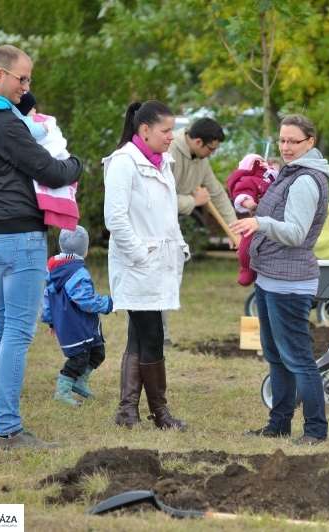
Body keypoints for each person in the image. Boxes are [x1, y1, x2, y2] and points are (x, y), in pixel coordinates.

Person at [0, 44, 82, 449]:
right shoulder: (4, 125)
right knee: (16, 333)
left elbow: (20, 113)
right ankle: (8, 429)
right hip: (22, 239)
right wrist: (76, 164)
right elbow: (49, 167)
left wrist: (21, 97)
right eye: (21, 78)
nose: (26, 87)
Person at [230, 114, 329, 446]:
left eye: (294, 141)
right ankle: (279, 425)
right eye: (282, 140)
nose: (286, 147)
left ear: (310, 143)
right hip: (269, 278)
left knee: (299, 358)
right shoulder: (290, 173)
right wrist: (254, 212)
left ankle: (316, 430)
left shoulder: (305, 180)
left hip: (289, 284)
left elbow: (296, 233)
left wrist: (260, 224)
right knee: (276, 355)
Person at [104, 100, 190, 431]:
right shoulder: (124, 162)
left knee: (137, 335)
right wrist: (141, 256)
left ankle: (127, 412)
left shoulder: (162, 162)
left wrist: (180, 246)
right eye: (166, 130)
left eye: (173, 129)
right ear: (145, 130)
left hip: (160, 262)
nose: (172, 137)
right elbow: (115, 219)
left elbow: (167, 214)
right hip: (138, 264)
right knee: (152, 334)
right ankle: (161, 413)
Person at [164, 117, 238, 346]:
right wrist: (192, 201)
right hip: (149, 224)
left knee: (169, 278)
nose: (213, 154)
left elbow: (216, 193)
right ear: (197, 141)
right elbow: (157, 198)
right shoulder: (168, 152)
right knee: (152, 281)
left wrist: (235, 229)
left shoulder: (201, 160)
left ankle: (162, 336)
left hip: (170, 225)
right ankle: (152, 336)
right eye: (212, 149)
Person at [41, 226, 113, 407]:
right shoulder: (77, 273)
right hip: (75, 326)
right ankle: (62, 391)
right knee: (78, 359)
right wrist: (108, 304)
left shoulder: (55, 271)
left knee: (97, 353)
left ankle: (79, 382)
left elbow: (47, 297)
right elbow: (85, 300)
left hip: (80, 325)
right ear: (85, 250)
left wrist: (50, 320)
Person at [14, 91, 80, 230]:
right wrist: (46, 128)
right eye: (32, 109)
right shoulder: (24, 123)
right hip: (52, 158)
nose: (36, 111)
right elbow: (33, 130)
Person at [225, 153, 278, 285]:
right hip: (257, 220)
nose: (261, 163)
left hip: (277, 220)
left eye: (262, 160)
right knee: (246, 243)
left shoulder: (274, 177)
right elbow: (243, 193)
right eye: (256, 162)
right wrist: (249, 203)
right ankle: (246, 267)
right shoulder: (249, 180)